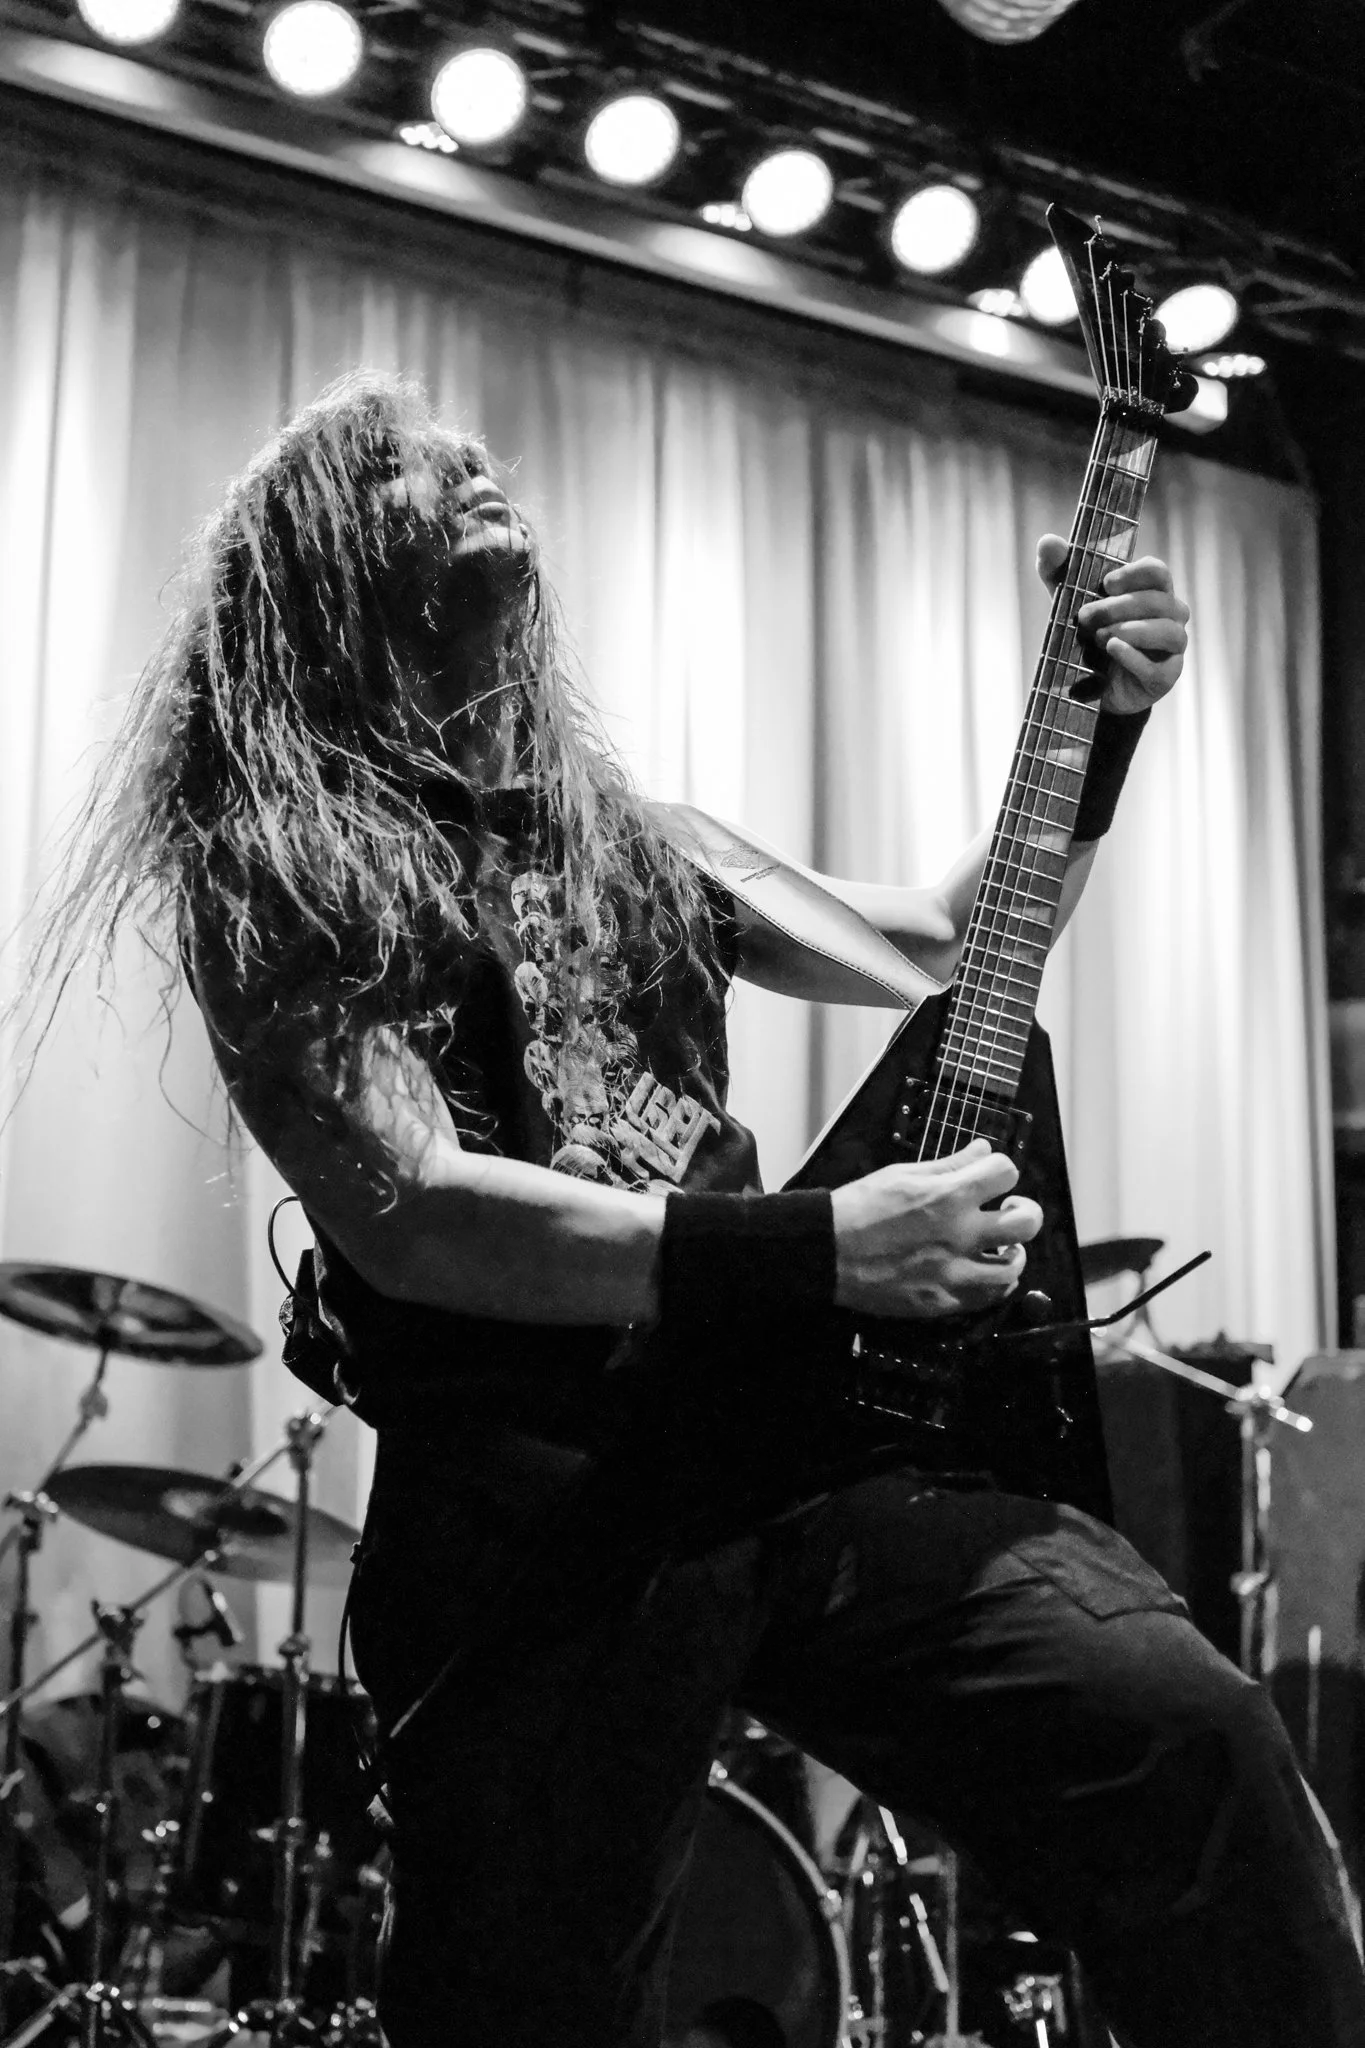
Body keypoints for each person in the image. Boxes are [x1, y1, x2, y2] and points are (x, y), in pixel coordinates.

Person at [39, 373, 1365, 2047]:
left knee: (1191, 1738)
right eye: (396, 466)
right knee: (525, 2007)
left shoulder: (641, 842)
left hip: (779, 1446)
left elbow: (949, 939)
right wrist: (825, 1247)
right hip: (539, 1508)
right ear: (312, 574)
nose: (460, 462)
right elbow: (419, 1216)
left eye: (466, 448)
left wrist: (1092, 722)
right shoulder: (277, 855)